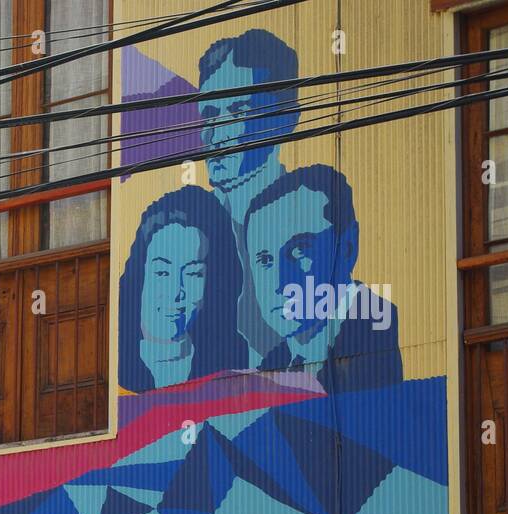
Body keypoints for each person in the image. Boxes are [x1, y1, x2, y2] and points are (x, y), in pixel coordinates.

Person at [244, 164, 402, 393]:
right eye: (265, 260)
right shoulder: (271, 366)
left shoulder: (377, 336)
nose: (279, 283)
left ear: (347, 248)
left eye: (300, 250)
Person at [197, 29, 300, 364]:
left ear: (286, 119)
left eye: (239, 111)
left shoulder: (310, 228)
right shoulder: (190, 240)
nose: (218, 134)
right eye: (210, 114)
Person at [118, 186, 248, 392]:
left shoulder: (234, 368)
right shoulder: (114, 369)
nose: (176, 292)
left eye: (193, 274)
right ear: (139, 275)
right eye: (162, 273)